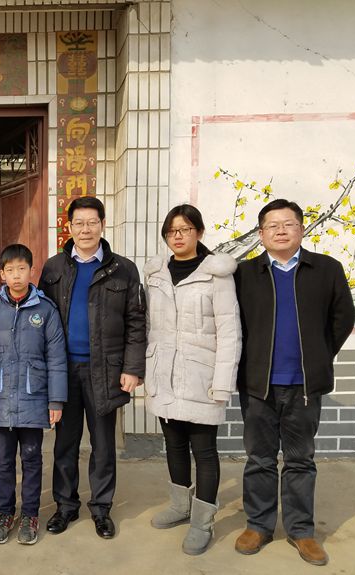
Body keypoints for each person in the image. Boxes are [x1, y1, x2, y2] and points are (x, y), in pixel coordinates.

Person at [234, 199, 355, 566]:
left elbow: (343, 317)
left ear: (301, 229)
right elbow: (232, 324)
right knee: (259, 459)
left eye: (288, 224)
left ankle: (301, 530)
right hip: (258, 385)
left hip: (304, 386)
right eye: (272, 226)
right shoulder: (245, 273)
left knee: (301, 459)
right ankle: (258, 525)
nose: (281, 231)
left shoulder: (326, 269)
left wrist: (319, 355)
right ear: (261, 234)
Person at [39, 196, 146, 539]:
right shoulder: (53, 268)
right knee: (65, 443)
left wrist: (132, 367)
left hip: (106, 370)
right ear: (68, 227)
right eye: (79, 223)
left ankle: (101, 509)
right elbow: (39, 319)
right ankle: (65, 506)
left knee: (103, 445)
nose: (85, 229)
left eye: (92, 222)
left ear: (102, 225)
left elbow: (136, 321)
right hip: (64, 370)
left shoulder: (123, 269)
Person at [143, 204, 241, 555]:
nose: (178, 236)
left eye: (185, 229)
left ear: (198, 232)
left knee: (204, 451)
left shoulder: (217, 275)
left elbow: (229, 332)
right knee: (173, 444)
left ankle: (202, 522)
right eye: (172, 231)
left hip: (202, 375)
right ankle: (180, 506)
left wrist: (223, 382)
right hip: (164, 372)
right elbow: (149, 325)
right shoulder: (156, 273)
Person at [0, 244, 68, 546]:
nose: (16, 275)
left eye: (22, 269)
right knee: (2, 461)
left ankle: (30, 514)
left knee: (31, 459)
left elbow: (56, 358)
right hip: (0, 399)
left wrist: (55, 400)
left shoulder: (46, 310)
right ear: (2, 274)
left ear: (31, 271)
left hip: (34, 398)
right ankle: (4, 513)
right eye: (10, 270)